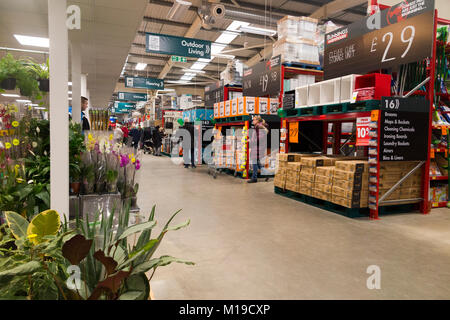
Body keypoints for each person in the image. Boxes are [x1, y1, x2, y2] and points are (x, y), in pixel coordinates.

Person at [248, 116, 268, 183]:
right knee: (257, 162)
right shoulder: (257, 127)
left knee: (254, 162)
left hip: (258, 147)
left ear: (257, 121)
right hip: (257, 147)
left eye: (254, 120)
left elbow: (259, 139)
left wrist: (251, 140)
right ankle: (266, 173)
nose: (253, 121)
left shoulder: (259, 127)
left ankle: (254, 178)